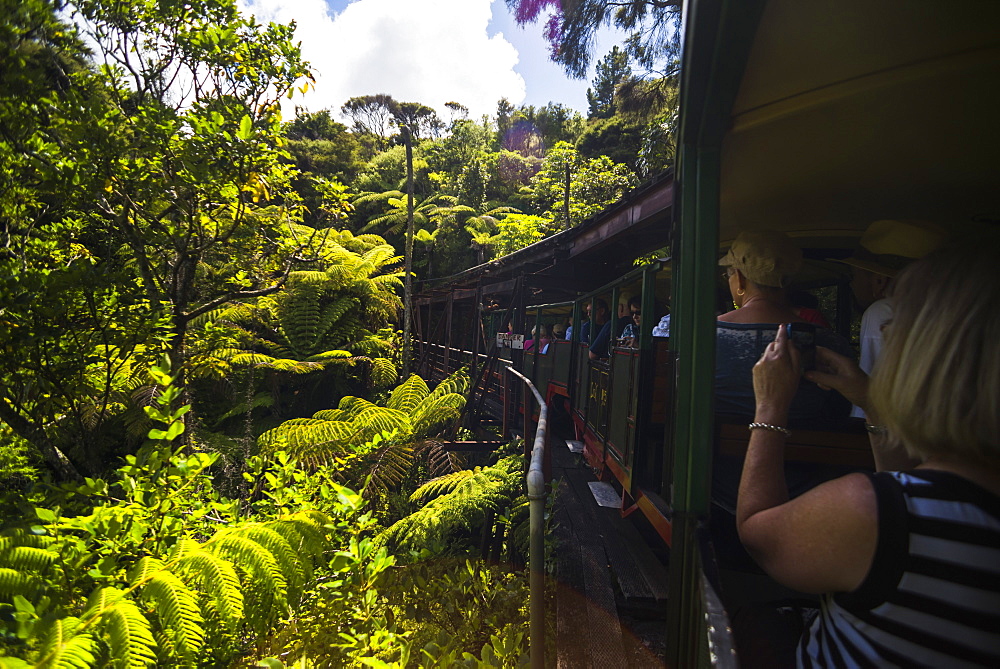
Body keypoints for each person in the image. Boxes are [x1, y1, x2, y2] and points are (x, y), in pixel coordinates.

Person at [738, 237, 1000, 668]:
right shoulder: (935, 503)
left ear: (926, 358)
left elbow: (757, 536)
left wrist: (769, 405)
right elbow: (905, 487)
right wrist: (870, 400)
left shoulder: (872, 513)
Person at [836, 219, 947, 418]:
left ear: (879, 280)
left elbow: (871, 402)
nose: (852, 284)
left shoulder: (884, 311)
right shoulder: (946, 311)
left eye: (854, 275)